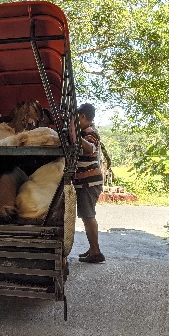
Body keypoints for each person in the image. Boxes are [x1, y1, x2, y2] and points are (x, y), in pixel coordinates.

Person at [74, 103, 105, 263]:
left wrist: (75, 136)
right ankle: (93, 249)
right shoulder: (85, 132)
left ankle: (96, 252)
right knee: (86, 217)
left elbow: (90, 149)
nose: (75, 122)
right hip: (86, 182)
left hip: (89, 182)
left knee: (88, 216)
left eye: (77, 118)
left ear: (83, 117)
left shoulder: (90, 133)